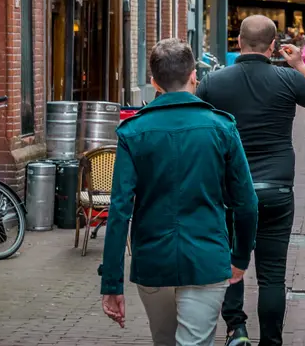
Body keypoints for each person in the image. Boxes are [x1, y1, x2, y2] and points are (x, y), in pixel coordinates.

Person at [99, 38, 258, 346]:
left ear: (153, 81)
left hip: (152, 260)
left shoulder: (133, 131)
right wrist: (240, 256)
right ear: (193, 75)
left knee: (164, 341)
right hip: (207, 258)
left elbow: (119, 210)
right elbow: (247, 203)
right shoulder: (222, 127)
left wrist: (112, 283)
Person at [196, 15, 305, 346]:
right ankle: (271, 342)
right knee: (273, 276)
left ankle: (236, 330)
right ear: (273, 45)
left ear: (238, 42)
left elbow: (195, 122)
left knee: (232, 263)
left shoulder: (214, 83)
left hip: (230, 193)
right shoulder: (287, 78)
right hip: (276, 191)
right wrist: (300, 64)